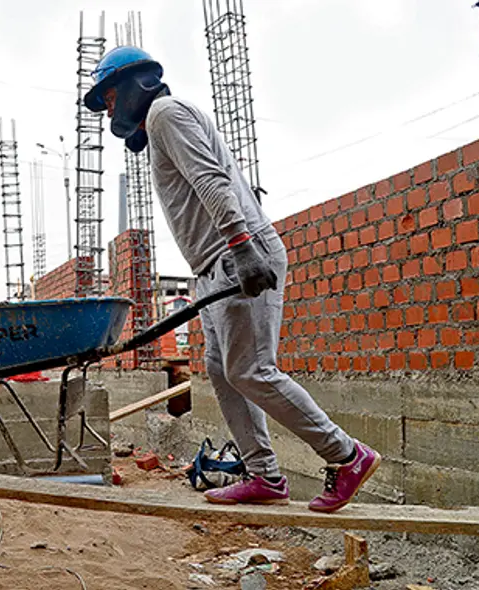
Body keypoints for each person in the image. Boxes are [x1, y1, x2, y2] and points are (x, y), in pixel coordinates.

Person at [83, 46, 380, 513]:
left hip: (237, 254)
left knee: (251, 370)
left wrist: (241, 247)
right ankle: (264, 475)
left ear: (134, 85)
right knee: (224, 372)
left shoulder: (165, 113)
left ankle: (347, 455)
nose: (110, 111)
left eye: (111, 97)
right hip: (214, 265)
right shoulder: (162, 122)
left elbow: (212, 180)